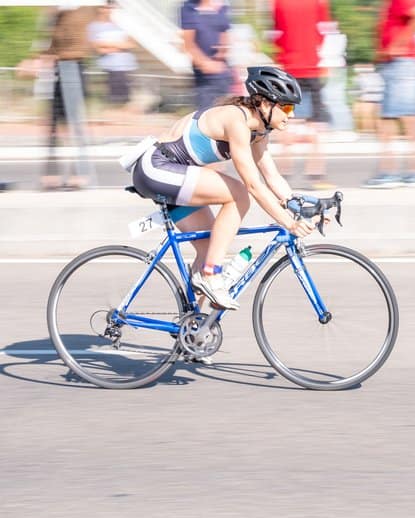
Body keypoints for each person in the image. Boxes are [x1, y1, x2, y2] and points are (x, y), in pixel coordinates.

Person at [128, 66, 316, 310]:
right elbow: (253, 185)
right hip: (156, 167)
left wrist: (303, 207)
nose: (290, 115)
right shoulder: (235, 121)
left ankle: (193, 331)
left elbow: (272, 177)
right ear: (264, 103)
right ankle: (210, 274)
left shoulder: (259, 131)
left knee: (210, 250)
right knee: (238, 194)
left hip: (177, 177)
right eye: (287, 107)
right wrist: (288, 223)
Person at [363, 0, 415, 188]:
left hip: (403, 61)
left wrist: (398, 44)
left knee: (388, 118)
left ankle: (389, 173)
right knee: (412, 117)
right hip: (413, 60)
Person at [273, 0, 333, 188]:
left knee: (286, 123)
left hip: (289, 69)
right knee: (316, 124)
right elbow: (325, 33)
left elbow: (277, 35)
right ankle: (316, 176)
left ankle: (282, 175)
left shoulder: (279, 3)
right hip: (312, 67)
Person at [40, 4, 96, 191]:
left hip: (73, 67)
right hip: (60, 69)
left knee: (74, 125)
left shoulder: (82, 11)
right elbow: (51, 43)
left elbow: (75, 42)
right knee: (54, 125)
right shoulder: (57, 13)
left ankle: (78, 174)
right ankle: (53, 174)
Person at [180, 0, 233, 110]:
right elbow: (188, 44)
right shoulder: (189, 8)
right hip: (204, 76)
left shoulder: (221, 7)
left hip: (222, 72)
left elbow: (225, 35)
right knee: (205, 115)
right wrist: (205, 64)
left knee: (225, 112)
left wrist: (221, 53)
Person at [87, 1, 138, 109]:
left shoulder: (123, 25)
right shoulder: (93, 27)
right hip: (109, 66)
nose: (107, 10)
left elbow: (132, 44)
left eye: (110, 7)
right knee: (114, 101)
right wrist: (120, 46)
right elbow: (98, 49)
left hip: (126, 66)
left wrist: (108, 44)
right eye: (104, 7)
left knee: (126, 101)